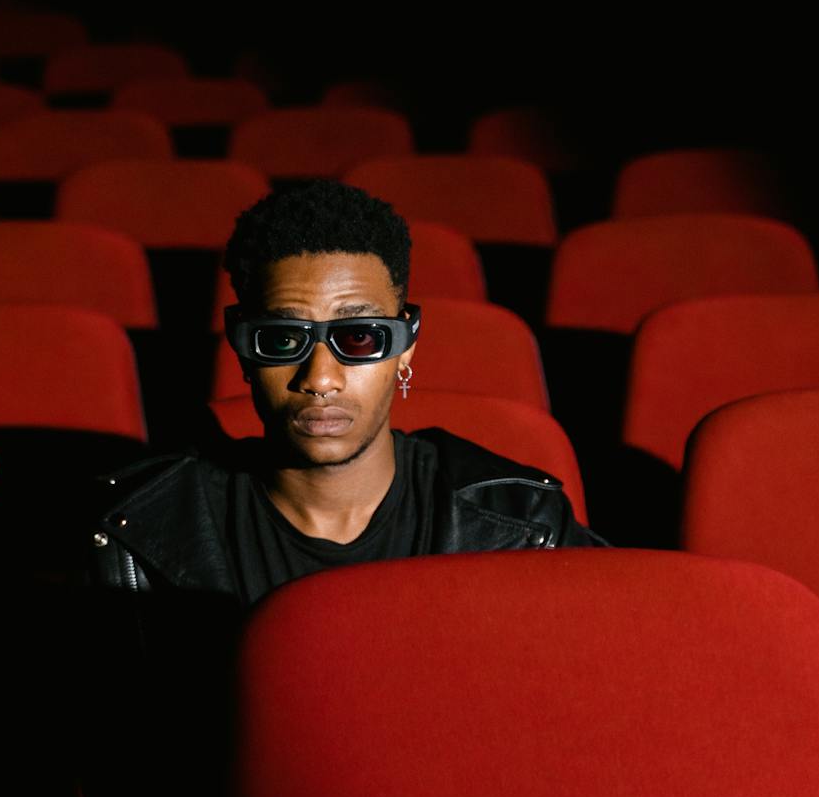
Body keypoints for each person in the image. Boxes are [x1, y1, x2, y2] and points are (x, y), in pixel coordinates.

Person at [87, 179, 605, 603]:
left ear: (406, 345)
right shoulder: (141, 527)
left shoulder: (521, 524)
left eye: (358, 337)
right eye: (284, 338)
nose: (320, 378)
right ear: (245, 350)